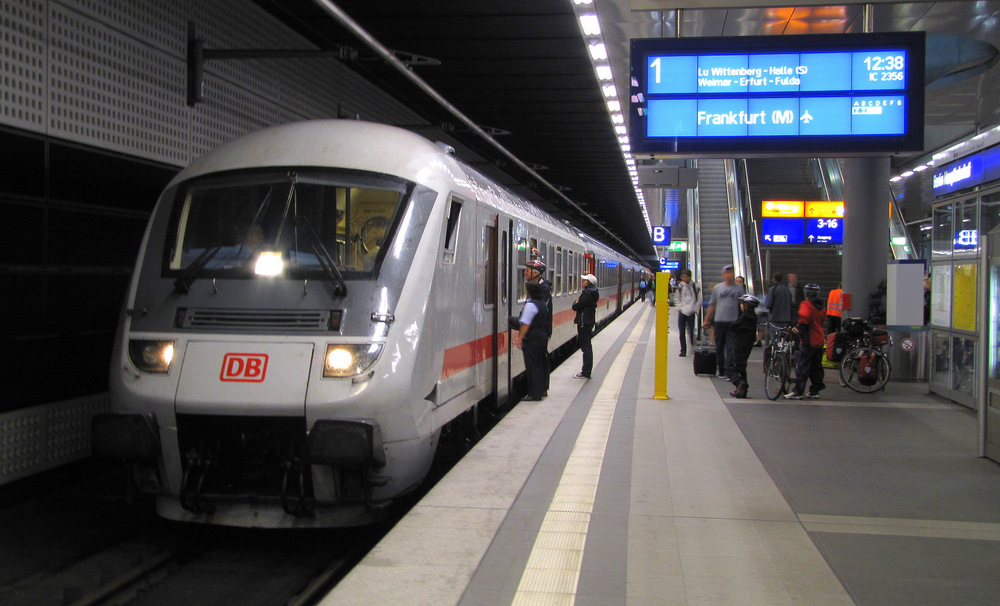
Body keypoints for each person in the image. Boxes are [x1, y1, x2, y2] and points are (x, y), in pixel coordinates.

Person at [785, 283, 826, 400]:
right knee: (816, 368)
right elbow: (822, 320)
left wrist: (798, 328)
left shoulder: (806, 304)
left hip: (808, 340)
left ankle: (798, 391)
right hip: (819, 339)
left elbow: (805, 319)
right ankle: (815, 390)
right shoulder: (821, 306)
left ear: (806, 293)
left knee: (802, 366)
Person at [702, 265, 743, 378]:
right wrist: (706, 320)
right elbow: (712, 305)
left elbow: (742, 304)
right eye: (727, 272)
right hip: (719, 321)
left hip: (733, 321)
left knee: (730, 347)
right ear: (723, 274)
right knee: (719, 346)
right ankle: (721, 370)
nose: (729, 274)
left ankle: (729, 370)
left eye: (731, 272)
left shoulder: (739, 289)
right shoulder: (718, 288)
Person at [515, 281, 551, 401]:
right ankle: (540, 390)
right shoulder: (542, 304)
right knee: (539, 365)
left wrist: (519, 338)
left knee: (532, 366)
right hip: (542, 336)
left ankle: (534, 393)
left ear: (529, 292)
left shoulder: (530, 305)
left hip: (532, 338)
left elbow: (525, 323)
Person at [524, 258, 552, 391]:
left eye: (527, 270)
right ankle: (541, 388)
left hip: (540, 330)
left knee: (539, 361)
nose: (525, 272)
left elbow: (540, 311)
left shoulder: (543, 288)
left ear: (535, 273)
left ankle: (541, 388)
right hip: (539, 331)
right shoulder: (538, 286)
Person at [726, 294, 760, 398]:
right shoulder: (753, 317)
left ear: (746, 305)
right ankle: (742, 391)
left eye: (742, 304)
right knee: (741, 368)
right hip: (747, 346)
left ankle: (740, 383)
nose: (741, 305)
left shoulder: (745, 317)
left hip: (739, 345)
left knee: (730, 367)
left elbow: (733, 326)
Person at [572, 273, 599, 378]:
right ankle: (586, 370)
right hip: (588, 321)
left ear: (589, 283)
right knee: (586, 346)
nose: (583, 281)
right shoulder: (592, 293)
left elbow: (576, 306)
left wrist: (576, 302)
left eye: (585, 280)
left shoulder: (587, 294)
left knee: (586, 347)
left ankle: (586, 371)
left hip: (584, 322)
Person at [675, 269, 700, 357]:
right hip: (682, 312)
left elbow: (698, 299)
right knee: (681, 332)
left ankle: (692, 348)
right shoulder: (680, 286)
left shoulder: (695, 286)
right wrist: (680, 308)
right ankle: (683, 350)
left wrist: (694, 308)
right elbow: (677, 298)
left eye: (685, 277)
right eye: (682, 277)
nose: (683, 278)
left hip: (691, 312)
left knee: (691, 331)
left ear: (689, 277)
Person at [764, 272, 793, 342]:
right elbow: (791, 303)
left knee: (775, 338)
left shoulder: (772, 289)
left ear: (774, 279)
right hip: (786, 319)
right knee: (783, 337)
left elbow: (768, 304)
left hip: (775, 318)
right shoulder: (787, 290)